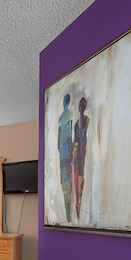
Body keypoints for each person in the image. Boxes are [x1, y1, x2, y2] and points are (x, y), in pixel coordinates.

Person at [73, 97, 89, 220]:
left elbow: (84, 137)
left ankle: (80, 205)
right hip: (77, 153)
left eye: (81, 105)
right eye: (79, 105)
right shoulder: (76, 124)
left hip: (84, 152)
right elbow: (76, 139)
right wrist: (75, 147)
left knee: (82, 177)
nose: (80, 108)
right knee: (77, 177)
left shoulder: (86, 120)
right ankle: (77, 207)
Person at [57, 94, 73, 222]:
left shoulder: (65, 116)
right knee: (65, 177)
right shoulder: (65, 116)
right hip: (64, 149)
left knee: (66, 177)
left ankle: (69, 214)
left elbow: (66, 132)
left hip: (65, 148)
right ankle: (68, 213)